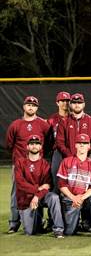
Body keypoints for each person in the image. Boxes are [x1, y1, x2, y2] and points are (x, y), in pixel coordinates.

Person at [6, 96, 51, 233]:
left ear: (37, 108)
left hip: (38, 165)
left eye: (34, 105)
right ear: (24, 106)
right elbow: (9, 144)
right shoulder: (16, 124)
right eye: (28, 104)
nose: (31, 107)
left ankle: (40, 219)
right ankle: (14, 223)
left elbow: (49, 142)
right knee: (16, 194)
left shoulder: (43, 124)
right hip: (20, 166)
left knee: (40, 192)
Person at [57, 134, 91, 238]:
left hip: (85, 199)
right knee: (69, 232)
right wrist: (74, 198)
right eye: (79, 143)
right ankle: (77, 224)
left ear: (89, 146)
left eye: (85, 143)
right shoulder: (66, 161)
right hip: (70, 199)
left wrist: (81, 198)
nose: (82, 145)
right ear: (75, 145)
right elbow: (61, 184)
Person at [14, 135, 64, 238]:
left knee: (54, 197)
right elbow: (20, 183)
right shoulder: (20, 162)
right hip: (26, 199)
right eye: (31, 144)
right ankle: (39, 220)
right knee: (30, 232)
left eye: (37, 143)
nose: (34, 146)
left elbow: (48, 185)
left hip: (40, 197)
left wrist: (37, 196)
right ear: (27, 147)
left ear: (41, 147)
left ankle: (58, 230)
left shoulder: (45, 164)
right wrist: (38, 189)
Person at [56, 93, 91, 158]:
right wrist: (68, 155)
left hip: (87, 159)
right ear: (70, 104)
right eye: (74, 103)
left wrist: (87, 156)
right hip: (68, 158)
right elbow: (60, 142)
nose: (77, 105)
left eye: (79, 103)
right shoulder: (64, 121)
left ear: (83, 104)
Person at [48, 92, 71, 192]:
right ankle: (55, 205)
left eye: (67, 101)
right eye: (62, 101)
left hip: (71, 151)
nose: (65, 103)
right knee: (56, 179)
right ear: (57, 103)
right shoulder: (52, 120)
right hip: (57, 153)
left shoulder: (73, 118)